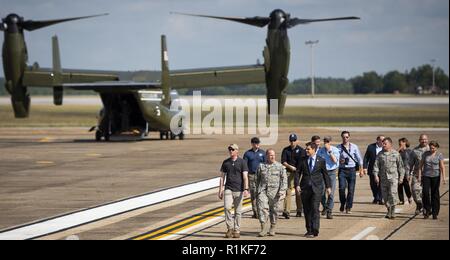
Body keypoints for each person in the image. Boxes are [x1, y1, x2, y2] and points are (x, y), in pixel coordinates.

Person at [295, 142, 331, 238]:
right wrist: (297, 185)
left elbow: (325, 174)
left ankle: (315, 230)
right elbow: (298, 173)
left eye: (308, 149)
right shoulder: (302, 160)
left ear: (314, 150)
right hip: (305, 188)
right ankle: (309, 230)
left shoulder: (321, 160)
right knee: (307, 210)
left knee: (315, 208)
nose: (306, 150)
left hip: (317, 189)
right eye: (306, 149)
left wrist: (328, 187)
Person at [219, 144, 249, 239]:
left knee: (238, 211)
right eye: (229, 149)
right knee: (227, 207)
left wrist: (246, 189)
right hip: (228, 188)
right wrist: (220, 189)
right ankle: (230, 228)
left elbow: (245, 177)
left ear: (237, 151)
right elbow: (222, 177)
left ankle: (237, 230)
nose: (231, 151)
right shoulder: (226, 162)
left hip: (239, 190)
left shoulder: (242, 162)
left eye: (232, 149)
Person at [256, 149, 287, 237]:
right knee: (262, 208)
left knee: (274, 210)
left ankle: (272, 226)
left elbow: (284, 180)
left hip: (275, 192)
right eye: (270, 155)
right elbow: (257, 179)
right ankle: (263, 228)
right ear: (266, 156)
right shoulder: (261, 166)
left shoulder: (279, 166)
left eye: (273, 155)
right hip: (263, 191)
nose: (272, 157)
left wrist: (282, 190)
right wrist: (257, 191)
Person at [373, 137, 405, 219]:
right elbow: (376, 166)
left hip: (393, 178)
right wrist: (376, 176)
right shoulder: (380, 154)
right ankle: (389, 209)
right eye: (382, 143)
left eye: (385, 143)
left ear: (390, 144)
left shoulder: (396, 154)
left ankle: (392, 211)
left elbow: (401, 167)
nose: (383, 145)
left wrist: (401, 178)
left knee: (393, 194)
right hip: (383, 179)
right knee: (385, 197)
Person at [337, 131, 364, 214]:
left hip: (352, 170)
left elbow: (359, 158)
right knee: (342, 188)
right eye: (344, 137)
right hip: (342, 170)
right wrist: (340, 161)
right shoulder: (338, 147)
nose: (345, 139)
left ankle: (348, 207)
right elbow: (335, 159)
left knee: (351, 190)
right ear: (341, 137)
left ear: (349, 137)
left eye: (347, 137)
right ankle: (342, 203)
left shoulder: (354, 147)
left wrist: (361, 169)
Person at [419, 141, 447, 220]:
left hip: (436, 176)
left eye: (433, 148)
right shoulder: (425, 154)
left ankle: (435, 212)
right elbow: (421, 165)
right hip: (426, 176)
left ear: (436, 148)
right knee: (425, 192)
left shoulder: (439, 155)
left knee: (435, 194)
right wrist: (419, 175)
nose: (431, 149)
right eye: (430, 148)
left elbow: (442, 167)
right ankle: (427, 210)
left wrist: (444, 178)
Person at [281, 134, 306, 219]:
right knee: (288, 191)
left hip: (298, 172)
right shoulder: (286, 150)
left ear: (297, 140)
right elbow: (283, 161)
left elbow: (302, 162)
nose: (292, 142)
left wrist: (297, 170)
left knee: (298, 191)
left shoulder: (301, 150)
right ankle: (286, 211)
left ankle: (299, 209)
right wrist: (290, 167)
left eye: (294, 140)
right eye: (291, 140)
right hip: (289, 172)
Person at [317, 136, 340, 219]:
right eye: (325, 141)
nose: (326, 143)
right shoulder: (320, 151)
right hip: (323, 173)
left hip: (332, 172)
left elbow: (335, 161)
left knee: (331, 193)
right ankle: (325, 206)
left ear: (330, 142)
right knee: (321, 192)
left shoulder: (335, 150)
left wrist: (329, 151)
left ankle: (329, 211)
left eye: (327, 141)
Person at [244, 137, 266, 219]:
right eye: (255, 143)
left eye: (258, 143)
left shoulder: (263, 153)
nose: (257, 145)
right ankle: (255, 212)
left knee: (260, 194)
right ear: (252, 144)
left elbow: (265, 164)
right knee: (253, 194)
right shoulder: (247, 154)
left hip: (261, 175)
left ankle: (260, 211)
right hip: (251, 175)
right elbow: (245, 166)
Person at [363, 135, 385, 205]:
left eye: (384, 140)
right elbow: (366, 158)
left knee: (381, 184)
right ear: (378, 140)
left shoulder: (385, 147)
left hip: (382, 169)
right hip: (372, 169)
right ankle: (376, 197)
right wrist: (365, 167)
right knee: (373, 184)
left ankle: (380, 199)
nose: (383, 142)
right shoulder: (371, 147)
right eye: (382, 140)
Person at [411, 134, 429, 214]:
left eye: (425, 139)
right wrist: (408, 173)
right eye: (422, 139)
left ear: (427, 140)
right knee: (414, 190)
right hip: (417, 174)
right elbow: (410, 163)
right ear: (419, 140)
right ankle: (419, 204)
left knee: (426, 192)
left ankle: (426, 208)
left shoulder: (431, 149)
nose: (424, 141)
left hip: (428, 174)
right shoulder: (415, 150)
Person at [398, 138, 414, 205]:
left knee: (406, 185)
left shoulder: (410, 151)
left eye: (400, 143)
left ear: (405, 143)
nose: (399, 144)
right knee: (399, 186)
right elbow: (393, 154)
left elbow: (412, 162)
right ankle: (401, 200)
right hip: (398, 171)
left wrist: (410, 173)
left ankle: (409, 197)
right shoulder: (398, 152)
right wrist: (399, 149)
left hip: (406, 171)